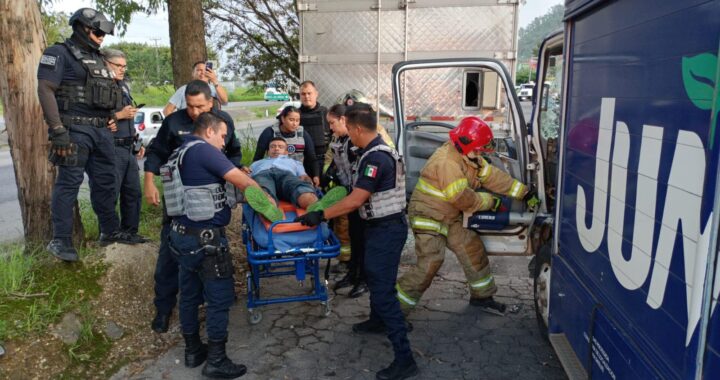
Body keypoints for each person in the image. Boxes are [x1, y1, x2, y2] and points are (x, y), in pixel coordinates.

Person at [296, 107, 418, 380]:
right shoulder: (371, 152)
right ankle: (377, 321)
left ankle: (404, 358)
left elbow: (355, 199)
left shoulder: (377, 159)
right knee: (374, 277)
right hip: (378, 226)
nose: (348, 135)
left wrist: (321, 214)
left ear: (359, 129)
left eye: (349, 130)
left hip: (387, 230)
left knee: (384, 289)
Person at [395, 116, 540, 316]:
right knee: (430, 262)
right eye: (479, 148)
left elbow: (493, 177)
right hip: (428, 215)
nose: (481, 152)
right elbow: (462, 198)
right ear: (468, 144)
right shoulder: (447, 162)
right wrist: (490, 202)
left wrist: (525, 193)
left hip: (449, 215)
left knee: (473, 250)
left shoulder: (470, 157)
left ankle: (483, 298)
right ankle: (393, 312)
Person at [165, 112, 266, 379]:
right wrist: (269, 204)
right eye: (222, 136)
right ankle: (217, 361)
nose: (224, 143)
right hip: (206, 239)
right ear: (209, 131)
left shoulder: (181, 151)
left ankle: (193, 351)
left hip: (181, 235)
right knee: (219, 299)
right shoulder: (205, 151)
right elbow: (244, 183)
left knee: (188, 294)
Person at [144, 80, 244, 334]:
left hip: (210, 205)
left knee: (212, 254)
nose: (194, 112)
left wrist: (231, 174)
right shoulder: (174, 122)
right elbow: (156, 153)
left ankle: (212, 300)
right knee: (169, 256)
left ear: (211, 103)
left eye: (200, 106)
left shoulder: (223, 123)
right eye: (190, 106)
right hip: (179, 204)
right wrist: (149, 183)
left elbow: (233, 152)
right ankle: (164, 308)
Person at [38, 7, 136, 262]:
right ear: (82, 28)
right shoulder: (58, 53)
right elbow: (45, 89)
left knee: (106, 183)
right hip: (74, 130)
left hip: (102, 130)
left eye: (103, 32)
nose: (102, 35)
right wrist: (58, 130)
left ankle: (110, 231)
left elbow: (108, 94)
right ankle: (61, 240)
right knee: (69, 183)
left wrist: (112, 119)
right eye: (97, 31)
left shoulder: (100, 58)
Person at [103, 48, 148, 244]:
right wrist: (119, 115)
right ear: (105, 64)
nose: (122, 70)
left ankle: (130, 232)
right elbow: (91, 119)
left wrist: (136, 140)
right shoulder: (97, 87)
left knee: (133, 193)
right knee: (110, 192)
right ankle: (109, 233)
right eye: (118, 66)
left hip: (128, 146)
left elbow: (128, 116)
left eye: (124, 66)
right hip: (110, 147)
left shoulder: (122, 86)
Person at [323, 104, 368, 298]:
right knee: (354, 237)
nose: (330, 127)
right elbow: (337, 160)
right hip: (349, 193)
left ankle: (364, 280)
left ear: (343, 120)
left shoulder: (356, 140)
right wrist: (330, 173)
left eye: (332, 123)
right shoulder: (340, 138)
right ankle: (353, 273)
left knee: (363, 241)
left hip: (361, 198)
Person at [249, 137, 346, 221]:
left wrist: (308, 182)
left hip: (286, 175)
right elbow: (246, 179)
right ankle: (270, 208)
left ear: (286, 152)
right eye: (273, 146)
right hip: (264, 174)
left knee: (299, 187)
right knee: (263, 188)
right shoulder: (256, 164)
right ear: (268, 151)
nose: (276, 149)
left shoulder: (294, 162)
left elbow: (303, 176)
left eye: (280, 147)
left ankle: (316, 205)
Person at [253, 106, 319, 185]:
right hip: (274, 172)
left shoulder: (302, 134)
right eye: (291, 120)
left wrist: (316, 175)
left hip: (296, 172)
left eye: (297, 120)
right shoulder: (270, 132)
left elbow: (312, 157)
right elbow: (258, 157)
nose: (295, 124)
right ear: (283, 119)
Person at [162, 61, 228, 115]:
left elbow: (224, 102)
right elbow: (167, 110)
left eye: (205, 70)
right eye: (199, 70)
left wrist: (215, 80)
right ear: (193, 73)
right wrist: (177, 126)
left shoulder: (214, 89)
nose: (202, 73)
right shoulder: (183, 89)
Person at [298, 81, 330, 170]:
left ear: (316, 94)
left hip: (323, 159)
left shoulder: (326, 113)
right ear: (300, 96)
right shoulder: (295, 115)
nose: (306, 96)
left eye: (309, 93)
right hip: (301, 160)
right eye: (303, 94)